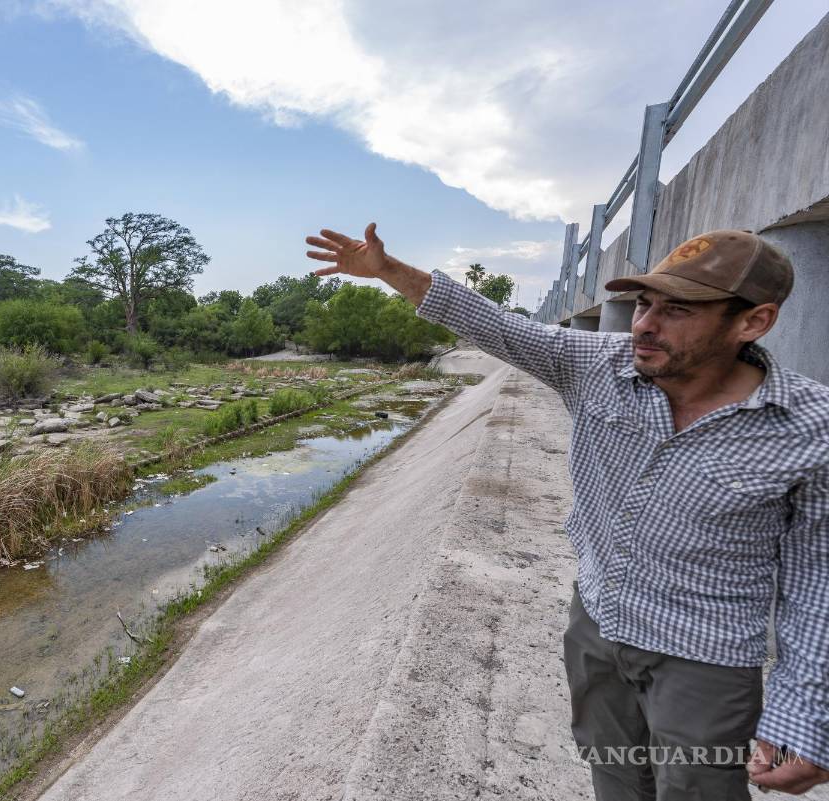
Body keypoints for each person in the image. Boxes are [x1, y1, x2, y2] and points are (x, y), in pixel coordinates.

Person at [305, 224, 829, 799]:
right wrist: (388, 271)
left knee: (698, 788)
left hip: (704, 657)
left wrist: (804, 714)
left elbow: (816, 582)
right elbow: (499, 326)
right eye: (643, 304)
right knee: (615, 776)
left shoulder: (809, 428)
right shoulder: (597, 364)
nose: (645, 325)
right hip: (597, 628)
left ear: (754, 321)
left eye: (678, 310)